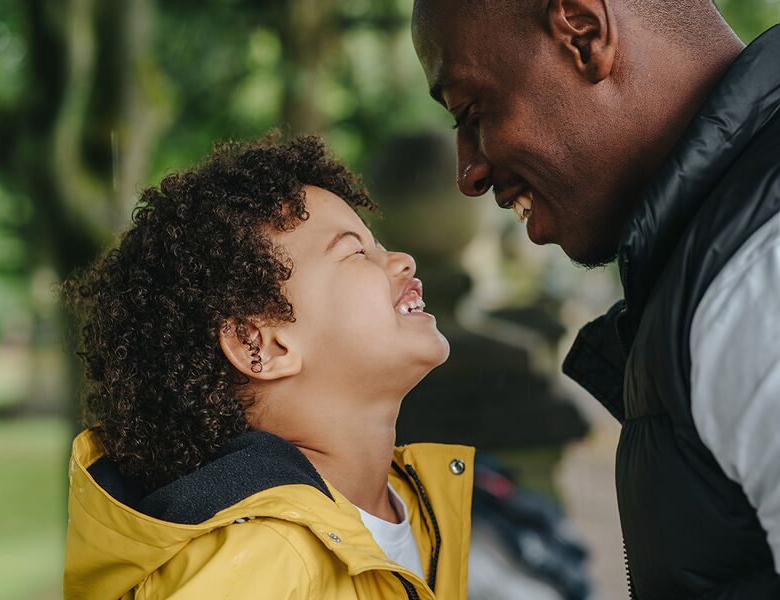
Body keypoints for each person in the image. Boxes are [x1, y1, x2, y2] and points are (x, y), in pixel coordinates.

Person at [411, 0, 780, 598]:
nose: (469, 173)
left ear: (582, 34)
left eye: (473, 111)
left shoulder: (759, 274)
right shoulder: (722, 260)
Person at [61, 136, 474, 600]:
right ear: (260, 345)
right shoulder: (257, 565)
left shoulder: (419, 506)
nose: (402, 260)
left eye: (378, 244)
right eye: (355, 252)